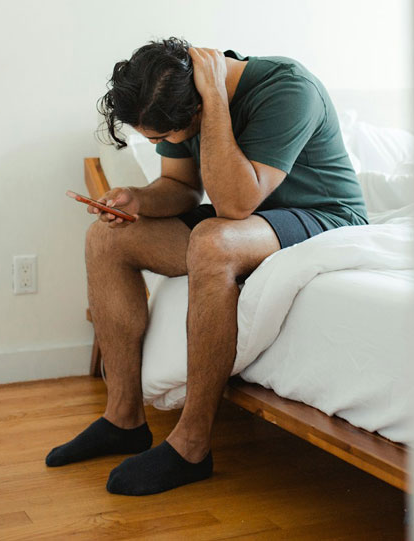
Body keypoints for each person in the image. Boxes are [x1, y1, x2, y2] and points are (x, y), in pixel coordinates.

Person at [45, 37, 368, 495]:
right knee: (108, 238)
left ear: (195, 110)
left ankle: (192, 444)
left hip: (324, 217)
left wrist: (216, 101)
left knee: (213, 242)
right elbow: (180, 187)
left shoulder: (287, 88)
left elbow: (234, 204)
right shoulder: (172, 90)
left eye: (159, 138)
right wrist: (137, 199)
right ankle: (124, 419)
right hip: (253, 219)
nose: (156, 144)